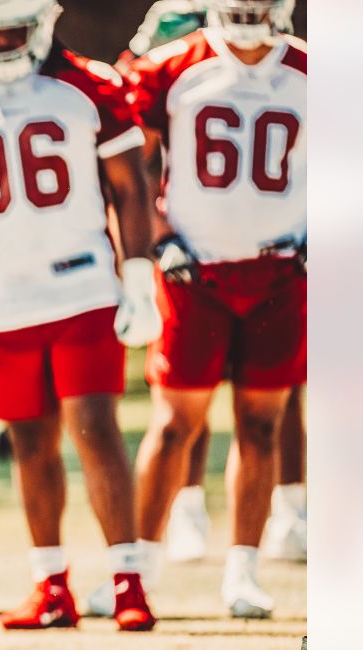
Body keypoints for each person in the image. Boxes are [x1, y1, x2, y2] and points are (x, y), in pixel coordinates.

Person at [0, 0, 161, 632]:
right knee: (28, 440)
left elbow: (130, 187)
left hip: (82, 287)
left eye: (10, 31)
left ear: (42, 25)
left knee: (95, 425)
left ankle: (129, 580)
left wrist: (138, 275)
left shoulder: (93, 87)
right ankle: (51, 585)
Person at [126, 0, 306, 618]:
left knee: (261, 426)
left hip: (280, 268)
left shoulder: (316, 72)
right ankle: (136, 574)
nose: (248, 12)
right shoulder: (170, 68)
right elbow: (129, 169)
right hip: (192, 270)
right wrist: (157, 238)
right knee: (175, 424)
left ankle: (243, 573)